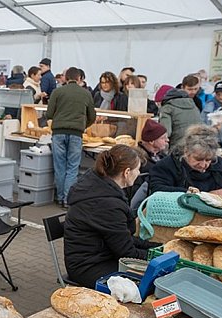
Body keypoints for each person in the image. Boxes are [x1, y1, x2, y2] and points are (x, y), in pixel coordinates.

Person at [64, 145, 161, 288]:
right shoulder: (107, 203)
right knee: (153, 282)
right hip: (89, 267)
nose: (139, 173)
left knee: (153, 275)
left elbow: (122, 237)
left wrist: (157, 248)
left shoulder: (98, 185)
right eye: (138, 169)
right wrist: (158, 257)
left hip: (99, 256)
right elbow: (126, 252)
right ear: (127, 172)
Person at [150, 125, 222, 198]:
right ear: (186, 151)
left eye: (208, 160)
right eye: (198, 159)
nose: (203, 165)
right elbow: (157, 189)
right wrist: (194, 194)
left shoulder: (219, 164)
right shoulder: (167, 166)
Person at [45, 67, 96, 208]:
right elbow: (92, 116)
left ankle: (60, 198)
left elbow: (49, 113)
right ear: (80, 78)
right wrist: (83, 125)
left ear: (65, 78)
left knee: (59, 166)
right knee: (72, 168)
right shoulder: (86, 94)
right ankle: (68, 200)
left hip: (58, 133)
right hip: (76, 134)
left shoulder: (57, 92)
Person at [129, 120, 169, 211]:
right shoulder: (138, 161)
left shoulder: (163, 157)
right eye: (163, 138)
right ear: (151, 141)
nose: (167, 140)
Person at [157, 84, 202, 149]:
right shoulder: (194, 107)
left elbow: (165, 132)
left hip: (178, 148)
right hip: (196, 146)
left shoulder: (167, 108)